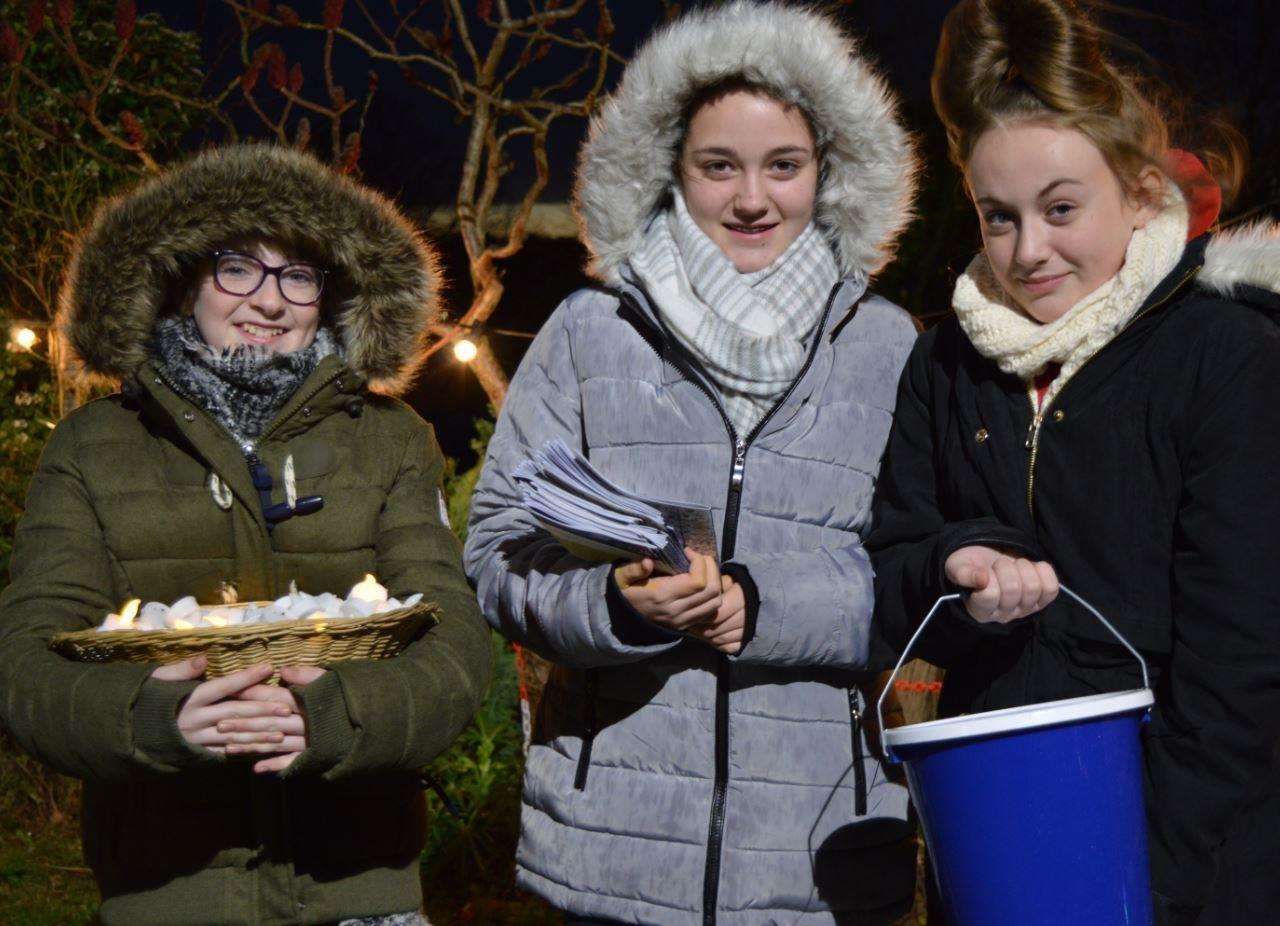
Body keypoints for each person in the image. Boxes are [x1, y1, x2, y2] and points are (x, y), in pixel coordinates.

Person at [866, 1, 1280, 923]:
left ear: (1141, 191)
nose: (1029, 251)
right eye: (997, 217)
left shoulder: (1236, 359)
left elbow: (1251, 661)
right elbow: (893, 567)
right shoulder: (945, 363)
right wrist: (958, 564)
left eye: (1062, 209)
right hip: (996, 851)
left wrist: (1139, 880)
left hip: (1190, 868)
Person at [463, 2, 921, 922]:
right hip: (614, 849)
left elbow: (917, 571)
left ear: (829, 173)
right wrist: (614, 610)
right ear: (669, 168)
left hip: (821, 853)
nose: (753, 199)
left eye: (783, 166)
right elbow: (497, 548)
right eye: (720, 166)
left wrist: (765, 603)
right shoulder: (592, 330)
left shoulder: (888, 344)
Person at [0, 144, 493, 926]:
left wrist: (336, 719)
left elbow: (457, 648)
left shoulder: (391, 439)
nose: (270, 300)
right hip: (167, 895)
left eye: (297, 274)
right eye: (238, 267)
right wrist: (153, 720)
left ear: (328, 293)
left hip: (358, 892)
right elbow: (22, 666)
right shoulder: (96, 445)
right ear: (184, 277)